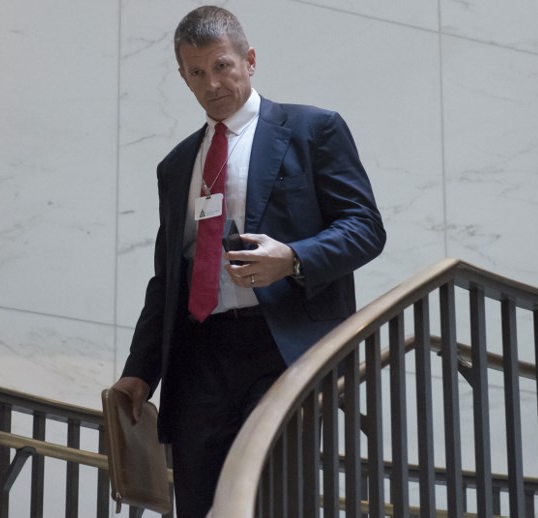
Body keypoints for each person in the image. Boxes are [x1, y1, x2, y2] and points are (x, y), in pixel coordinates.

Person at [112, 5, 386, 517]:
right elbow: (167, 280)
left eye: (222, 66)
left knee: (273, 498)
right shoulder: (175, 166)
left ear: (249, 60)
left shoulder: (313, 129)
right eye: (197, 72)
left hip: (280, 345)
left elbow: (365, 228)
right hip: (198, 356)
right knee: (201, 505)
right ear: (183, 77)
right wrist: (140, 371)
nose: (212, 84)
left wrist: (293, 258)